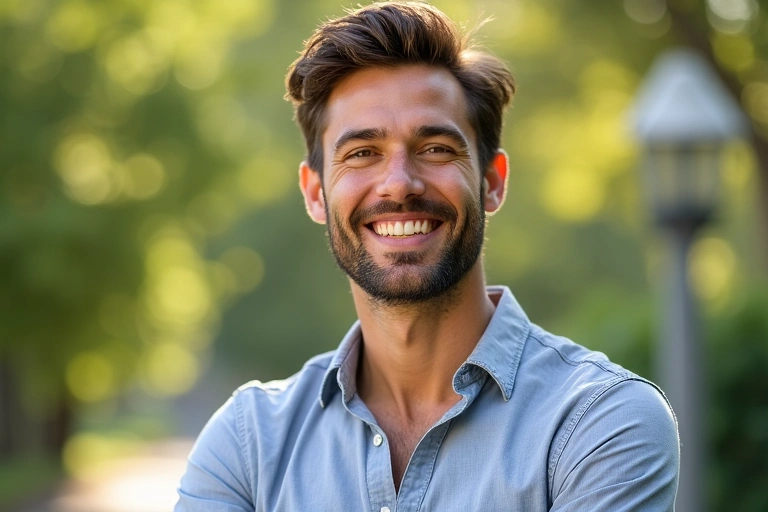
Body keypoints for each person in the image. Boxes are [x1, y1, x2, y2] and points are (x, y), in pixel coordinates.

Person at [175, 2, 680, 510]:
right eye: (361, 153)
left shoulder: (600, 423)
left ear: (492, 182)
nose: (399, 183)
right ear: (315, 193)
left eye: (436, 148)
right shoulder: (247, 443)